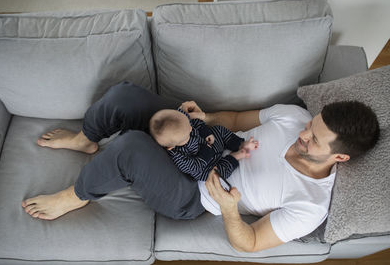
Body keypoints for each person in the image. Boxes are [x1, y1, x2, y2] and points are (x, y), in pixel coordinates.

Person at [21, 81, 380, 252]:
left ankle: (76, 195)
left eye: (314, 140)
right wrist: (204, 117)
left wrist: (229, 212)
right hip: (203, 141)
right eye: (309, 126)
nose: (302, 134)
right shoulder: (294, 117)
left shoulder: (311, 204)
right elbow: (239, 116)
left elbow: (251, 242)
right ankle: (87, 138)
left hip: (193, 194)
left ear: (340, 157)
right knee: (124, 97)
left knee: (130, 147)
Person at [149, 107, 259, 181]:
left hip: (209, 142)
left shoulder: (181, 118)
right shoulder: (178, 156)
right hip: (206, 165)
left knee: (218, 129)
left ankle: (240, 144)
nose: (191, 128)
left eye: (189, 125)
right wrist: (205, 152)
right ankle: (236, 156)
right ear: (171, 146)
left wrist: (206, 133)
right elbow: (195, 167)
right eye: (188, 133)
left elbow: (196, 122)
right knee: (216, 175)